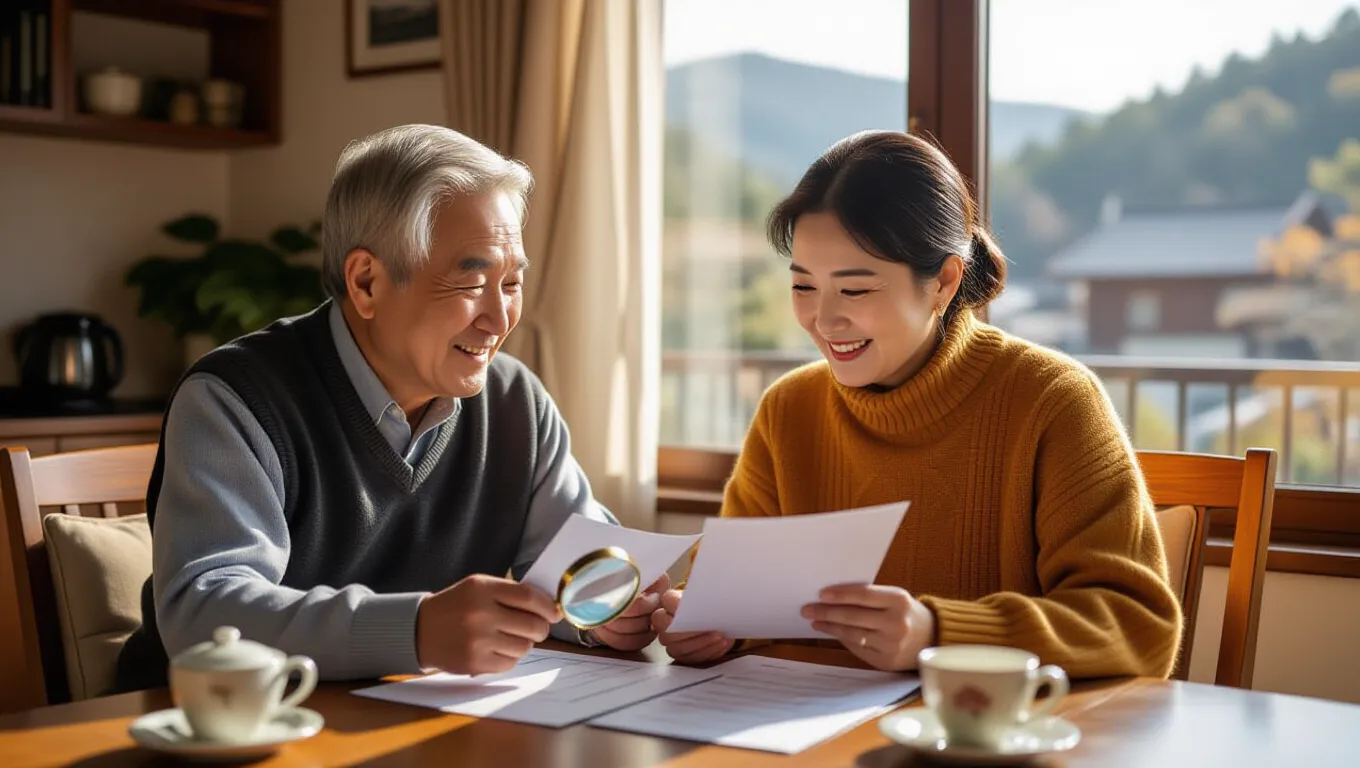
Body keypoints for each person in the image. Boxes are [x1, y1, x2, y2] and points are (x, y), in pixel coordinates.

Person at [114, 124, 663, 691]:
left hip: (400, 715)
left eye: (511, 284)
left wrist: (615, 611)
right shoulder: (235, 398)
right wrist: (416, 630)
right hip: (206, 721)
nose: (499, 321)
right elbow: (205, 613)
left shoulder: (515, 401)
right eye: (472, 283)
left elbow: (578, 569)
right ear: (367, 282)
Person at [651, 130, 1183, 679]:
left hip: (977, 726)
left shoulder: (1053, 400)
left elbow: (1139, 627)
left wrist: (938, 632)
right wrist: (699, 623)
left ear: (943, 283)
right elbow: (729, 592)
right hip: (802, 724)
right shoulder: (789, 408)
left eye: (855, 290)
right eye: (804, 287)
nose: (823, 320)